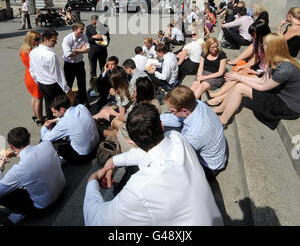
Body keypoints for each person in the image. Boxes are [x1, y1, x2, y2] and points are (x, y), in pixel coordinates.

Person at [83, 103, 223, 226]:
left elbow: (96, 221)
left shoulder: (139, 187)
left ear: (132, 142)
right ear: (161, 126)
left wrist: (92, 181)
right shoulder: (177, 137)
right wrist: (113, 161)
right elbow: (148, 152)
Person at [212, 33, 300, 129]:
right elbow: (262, 80)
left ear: (272, 47)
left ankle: (223, 120)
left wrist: (239, 77)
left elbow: (263, 86)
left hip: (288, 106)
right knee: (240, 84)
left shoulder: (284, 69)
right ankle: (220, 108)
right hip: (279, 96)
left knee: (240, 87)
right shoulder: (275, 61)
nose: (262, 46)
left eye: (265, 44)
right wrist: (238, 76)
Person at [0, 127, 65, 224]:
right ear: (29, 135)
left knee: (8, 193)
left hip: (44, 208)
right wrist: (17, 154)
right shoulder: (47, 145)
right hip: (62, 189)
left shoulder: (17, 170)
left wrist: (1, 167)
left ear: (11, 147)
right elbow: (33, 157)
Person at [160, 86, 228, 179]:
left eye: (172, 111)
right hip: (215, 154)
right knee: (166, 120)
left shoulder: (194, 133)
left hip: (209, 168)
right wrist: (155, 120)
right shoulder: (196, 104)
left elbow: (179, 156)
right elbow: (175, 119)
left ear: (184, 111)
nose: (171, 113)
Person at [208, 21, 271, 106]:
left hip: (265, 74)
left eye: (253, 34)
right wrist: (245, 66)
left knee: (241, 81)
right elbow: (257, 57)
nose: (252, 36)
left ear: (261, 33)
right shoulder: (258, 41)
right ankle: (218, 94)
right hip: (259, 69)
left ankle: (220, 99)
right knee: (239, 72)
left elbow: (270, 69)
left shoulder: (270, 45)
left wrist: (256, 72)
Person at [29, 29, 75, 120]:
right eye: (53, 40)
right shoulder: (50, 55)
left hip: (42, 84)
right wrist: (67, 89)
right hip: (53, 85)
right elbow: (58, 75)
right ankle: (62, 123)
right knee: (60, 106)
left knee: (48, 104)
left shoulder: (33, 51)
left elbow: (32, 70)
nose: (56, 42)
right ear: (46, 40)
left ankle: (51, 122)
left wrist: (38, 82)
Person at [41, 95, 100, 164]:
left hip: (84, 156)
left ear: (62, 109)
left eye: (54, 112)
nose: (53, 115)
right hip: (97, 145)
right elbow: (68, 116)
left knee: (52, 144)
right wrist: (54, 120)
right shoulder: (81, 107)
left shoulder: (64, 122)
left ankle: (61, 160)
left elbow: (46, 138)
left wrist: (43, 127)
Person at [62, 22, 90, 107]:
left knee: (82, 84)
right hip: (69, 65)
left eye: (83, 29)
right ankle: (68, 102)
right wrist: (81, 49)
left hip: (79, 64)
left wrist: (75, 50)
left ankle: (83, 101)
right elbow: (68, 54)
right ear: (75, 29)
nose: (83, 31)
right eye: (81, 29)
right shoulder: (67, 39)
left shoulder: (83, 36)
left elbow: (88, 49)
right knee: (68, 84)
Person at [20, 31, 44, 125]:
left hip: (28, 75)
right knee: (39, 99)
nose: (39, 41)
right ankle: (40, 119)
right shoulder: (32, 52)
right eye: (37, 39)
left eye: (40, 38)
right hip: (34, 77)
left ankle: (35, 115)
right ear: (31, 40)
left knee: (34, 97)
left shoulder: (24, 49)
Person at [86, 15, 110, 82]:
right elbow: (87, 40)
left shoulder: (105, 27)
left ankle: (103, 83)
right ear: (91, 21)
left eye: (96, 23)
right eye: (93, 23)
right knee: (92, 70)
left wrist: (105, 44)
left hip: (102, 51)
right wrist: (94, 37)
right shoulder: (88, 28)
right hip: (92, 52)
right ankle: (94, 86)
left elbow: (108, 38)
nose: (95, 25)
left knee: (103, 68)